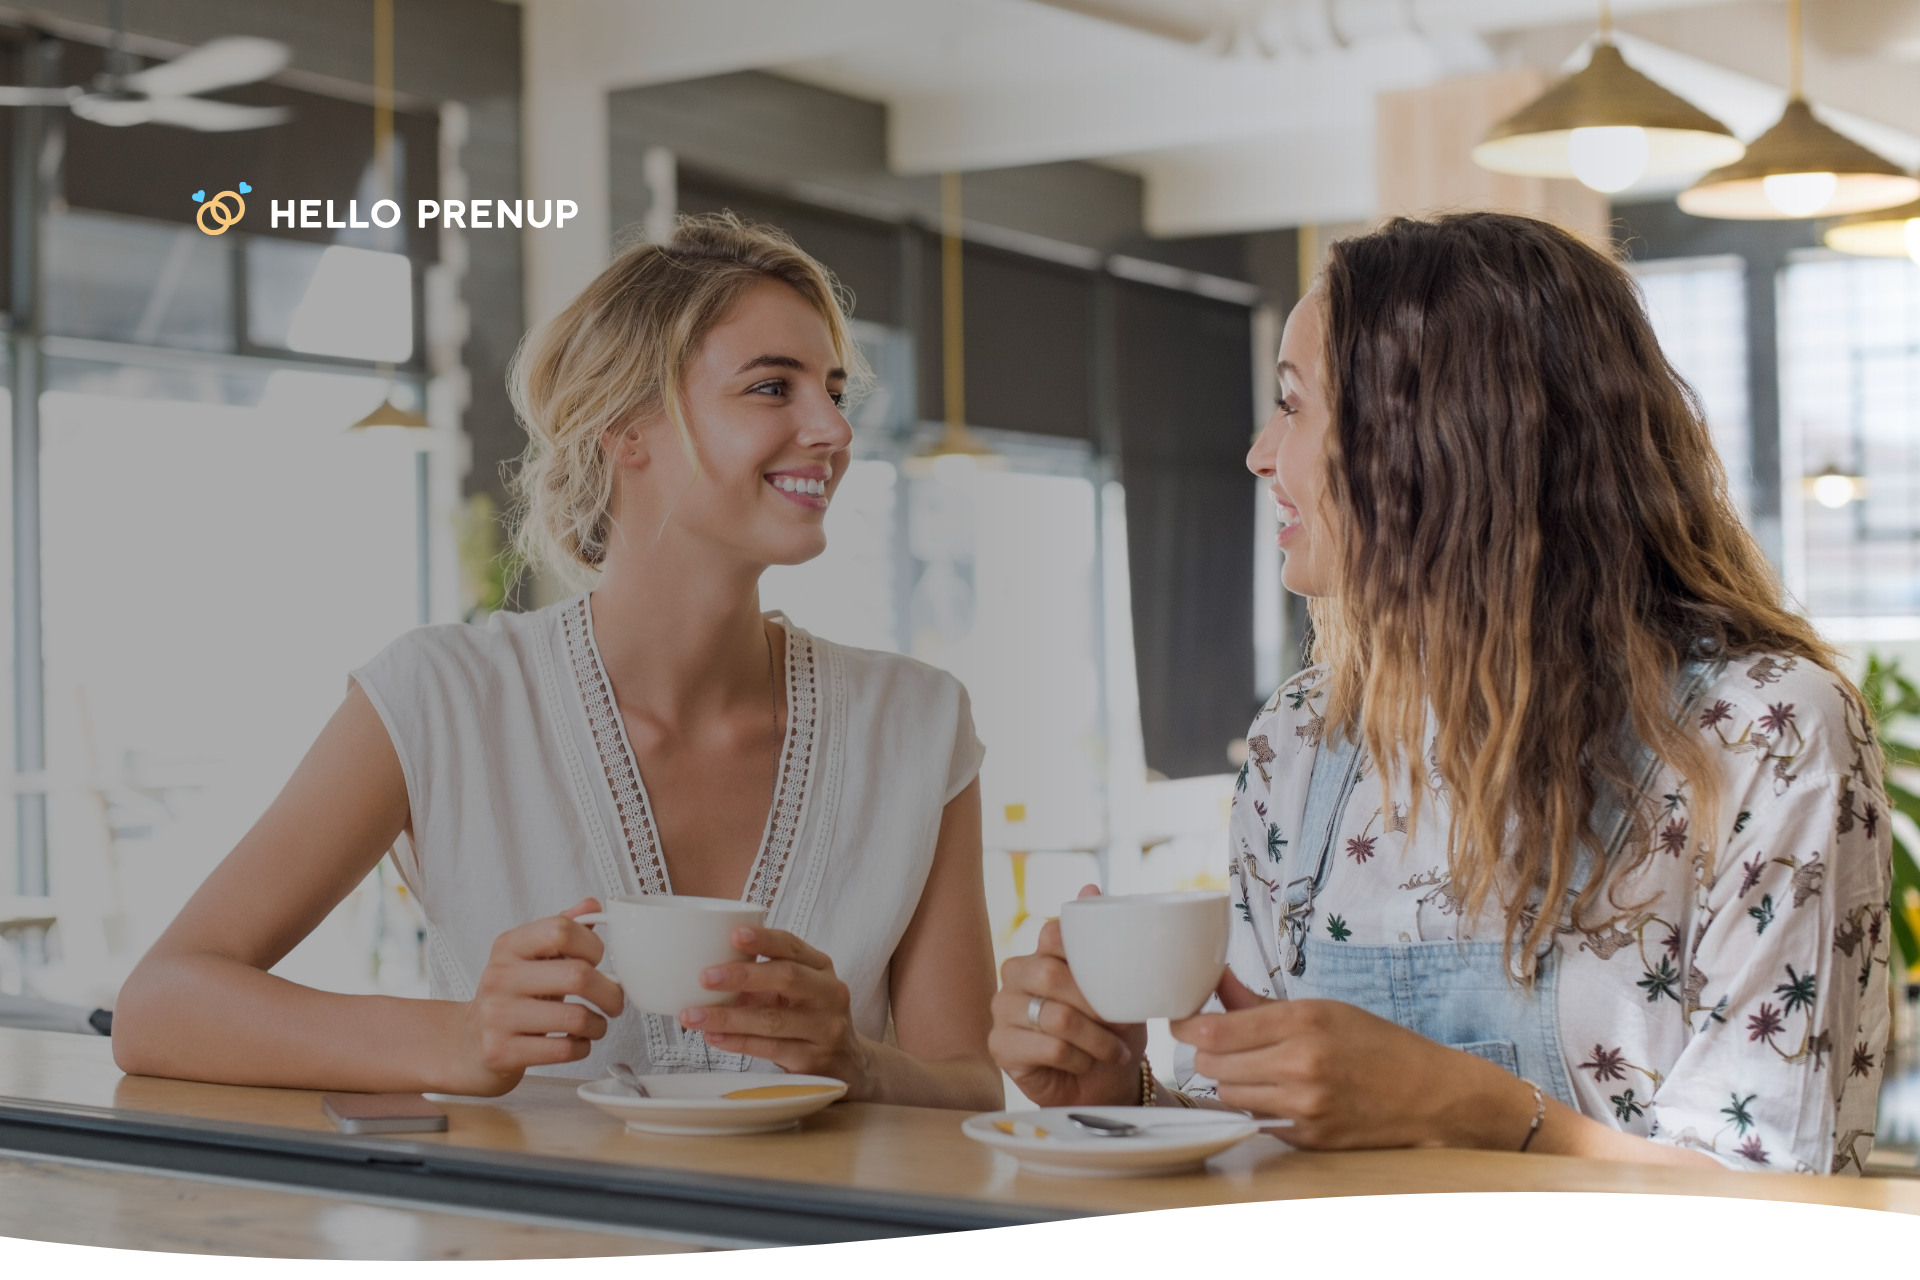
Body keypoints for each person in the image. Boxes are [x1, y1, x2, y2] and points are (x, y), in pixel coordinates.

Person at [991, 212, 1892, 1173]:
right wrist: (1123, 1097)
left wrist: (1474, 1109)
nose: (1260, 454)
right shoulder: (1299, 741)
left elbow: (1782, 1206)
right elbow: (1253, 1143)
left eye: (1293, 406)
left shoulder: (1763, 736)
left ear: (1435, 441)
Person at [114, 214, 1003, 1110]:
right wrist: (457, 1037)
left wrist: (857, 1062)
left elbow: (969, 1083)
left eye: (835, 393)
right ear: (625, 429)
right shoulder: (439, 699)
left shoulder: (919, 723)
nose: (834, 430)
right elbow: (161, 1004)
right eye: (774, 388)